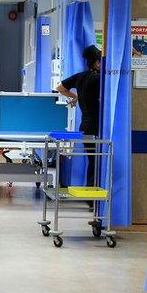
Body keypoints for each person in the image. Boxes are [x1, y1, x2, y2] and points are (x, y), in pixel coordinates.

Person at [55, 45, 102, 203]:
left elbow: (60, 88)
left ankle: (91, 197)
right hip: (98, 125)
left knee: (92, 160)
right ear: (96, 62)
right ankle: (94, 196)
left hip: (85, 126)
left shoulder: (80, 77)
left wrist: (76, 97)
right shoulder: (100, 78)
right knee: (99, 160)